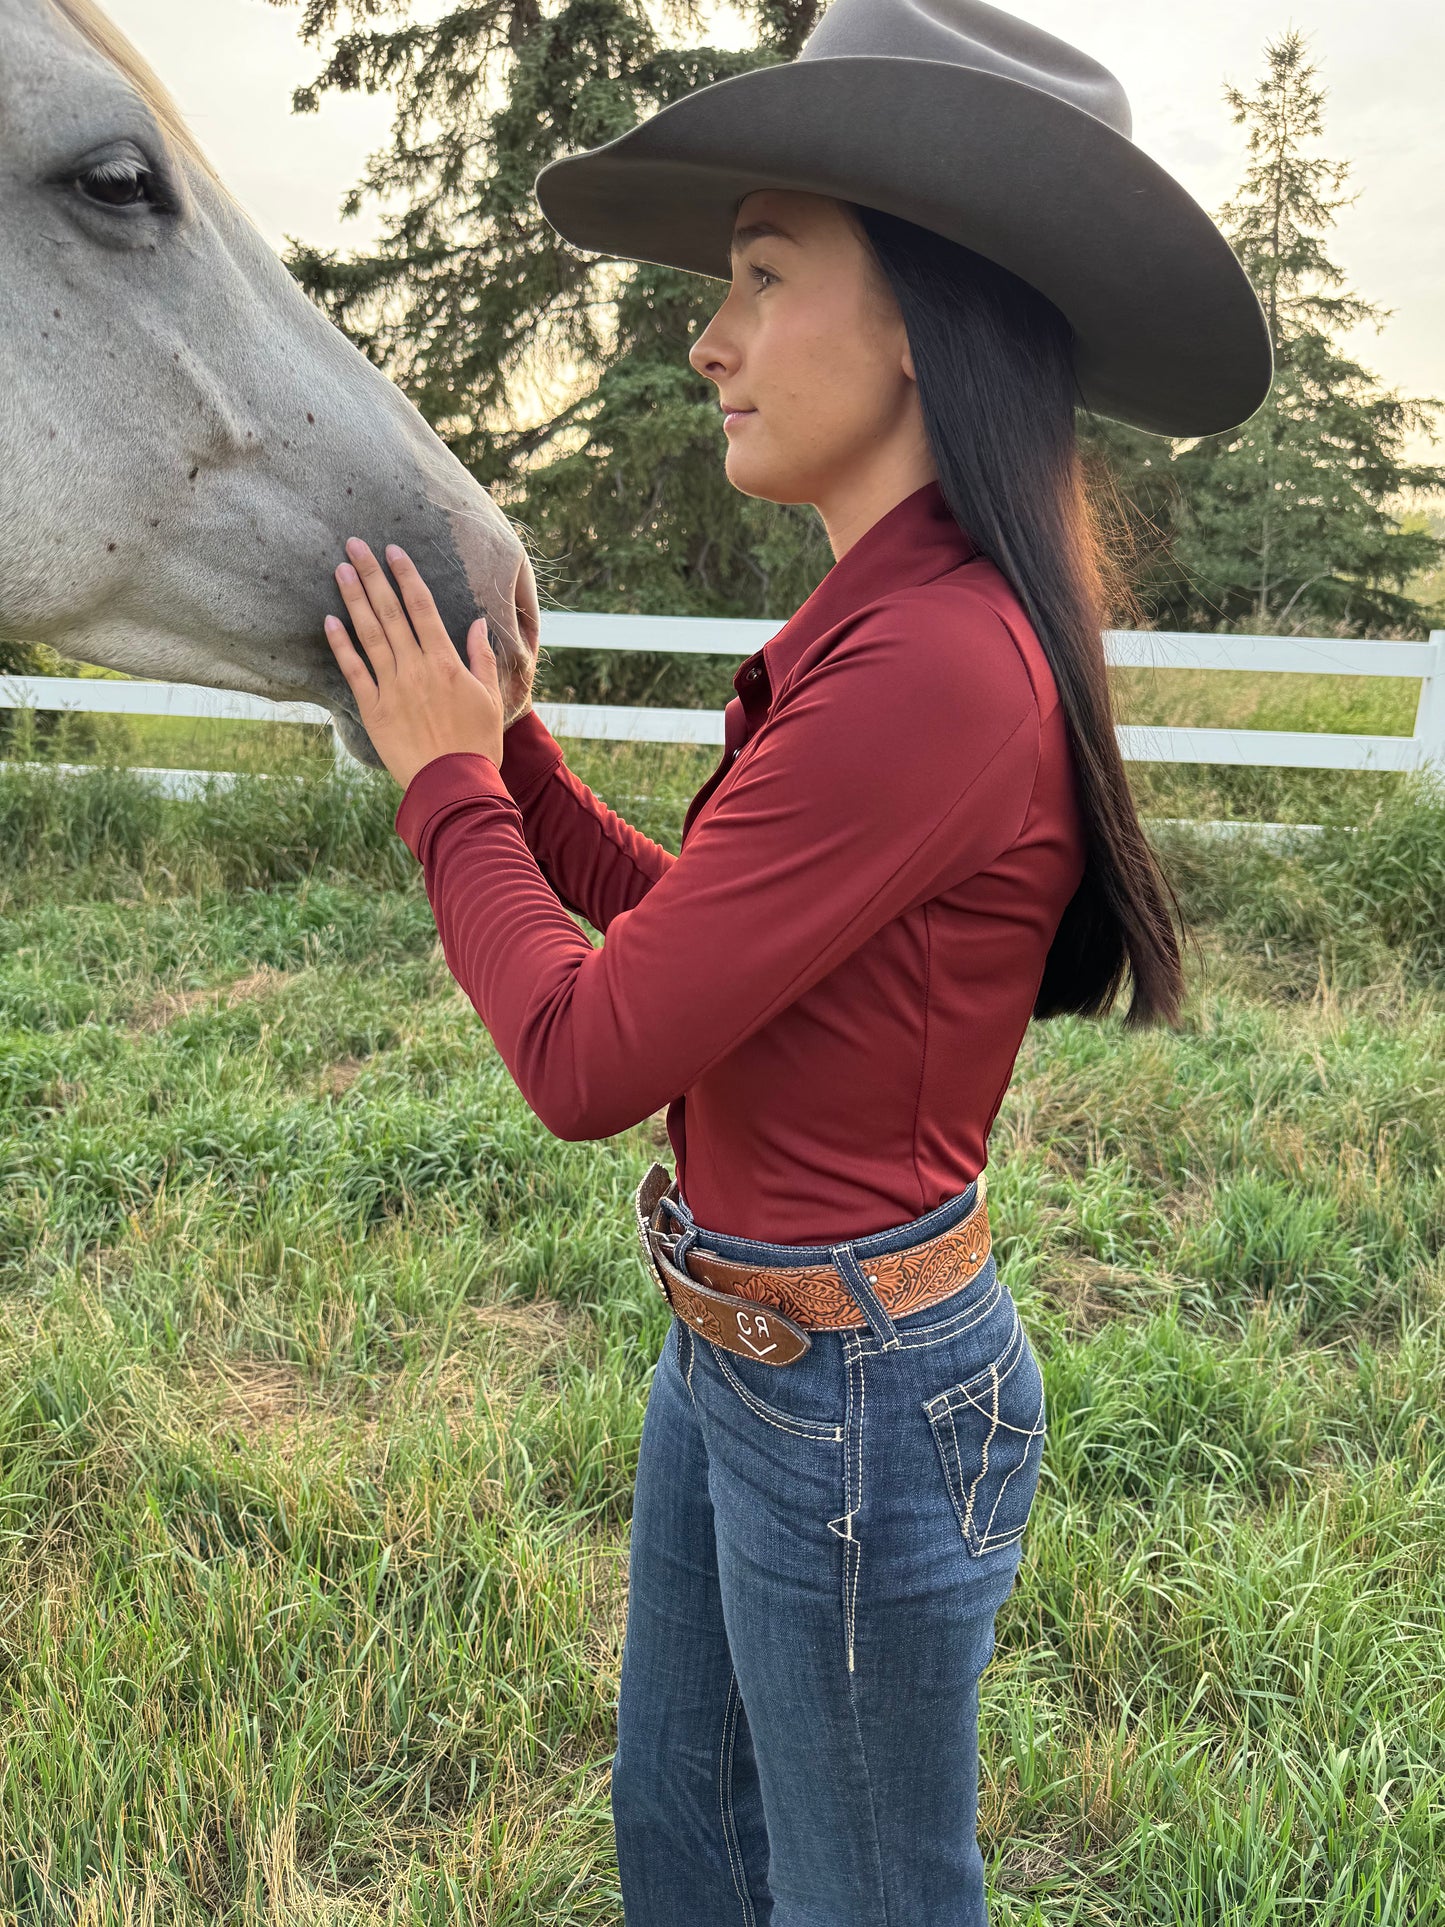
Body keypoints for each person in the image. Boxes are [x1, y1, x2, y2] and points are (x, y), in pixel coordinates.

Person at [320, 2, 1272, 1918]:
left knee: (856, 1895)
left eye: (760, 276)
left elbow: (590, 1061)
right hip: (764, 1349)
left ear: (923, 310)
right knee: (684, 1838)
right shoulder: (900, 621)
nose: (708, 337)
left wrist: (443, 791)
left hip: (846, 1393)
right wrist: (510, 754)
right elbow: (705, 948)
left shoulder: (929, 663)